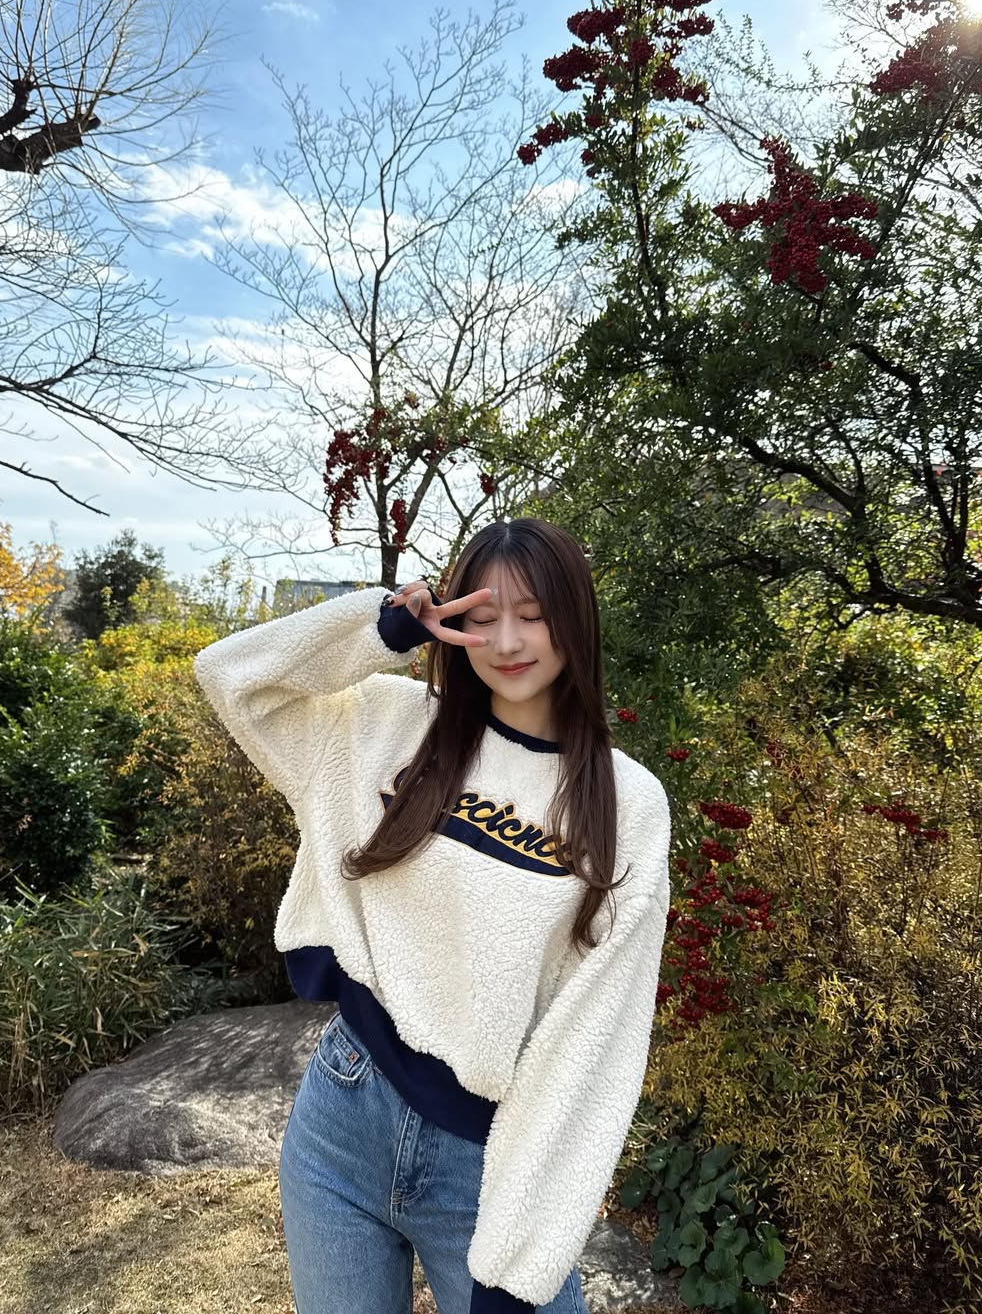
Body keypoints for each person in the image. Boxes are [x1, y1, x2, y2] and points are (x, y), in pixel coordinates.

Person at [193, 516, 672, 1314]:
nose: (507, 641)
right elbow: (232, 677)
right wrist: (379, 630)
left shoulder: (627, 803)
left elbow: (598, 1040)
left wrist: (520, 1259)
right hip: (342, 1115)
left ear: (575, 620)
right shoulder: (384, 723)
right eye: (482, 616)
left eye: (533, 614)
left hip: (485, 1161)